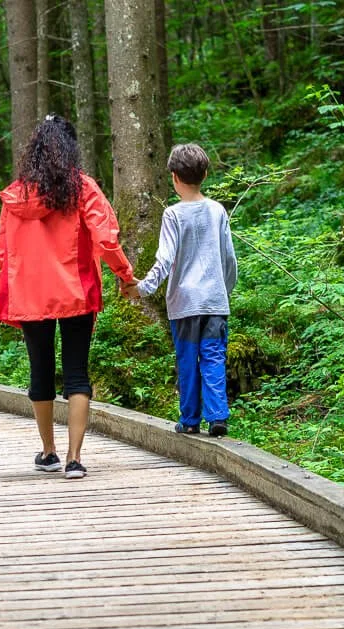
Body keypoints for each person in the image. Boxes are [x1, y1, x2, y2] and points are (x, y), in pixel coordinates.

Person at [0, 115, 139, 479]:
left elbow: (1, 250)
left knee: (39, 372)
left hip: (30, 296)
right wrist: (125, 275)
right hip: (75, 291)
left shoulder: (15, 195)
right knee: (77, 373)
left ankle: (48, 452)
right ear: (70, 148)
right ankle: (75, 459)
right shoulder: (83, 188)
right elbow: (106, 237)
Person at [134, 143, 238, 437]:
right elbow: (229, 258)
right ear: (205, 174)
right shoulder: (218, 211)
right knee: (214, 356)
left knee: (187, 361)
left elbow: (164, 259)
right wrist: (225, 290)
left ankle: (190, 419)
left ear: (174, 177)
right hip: (215, 302)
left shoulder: (173, 215)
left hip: (184, 304)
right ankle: (217, 416)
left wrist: (143, 288)